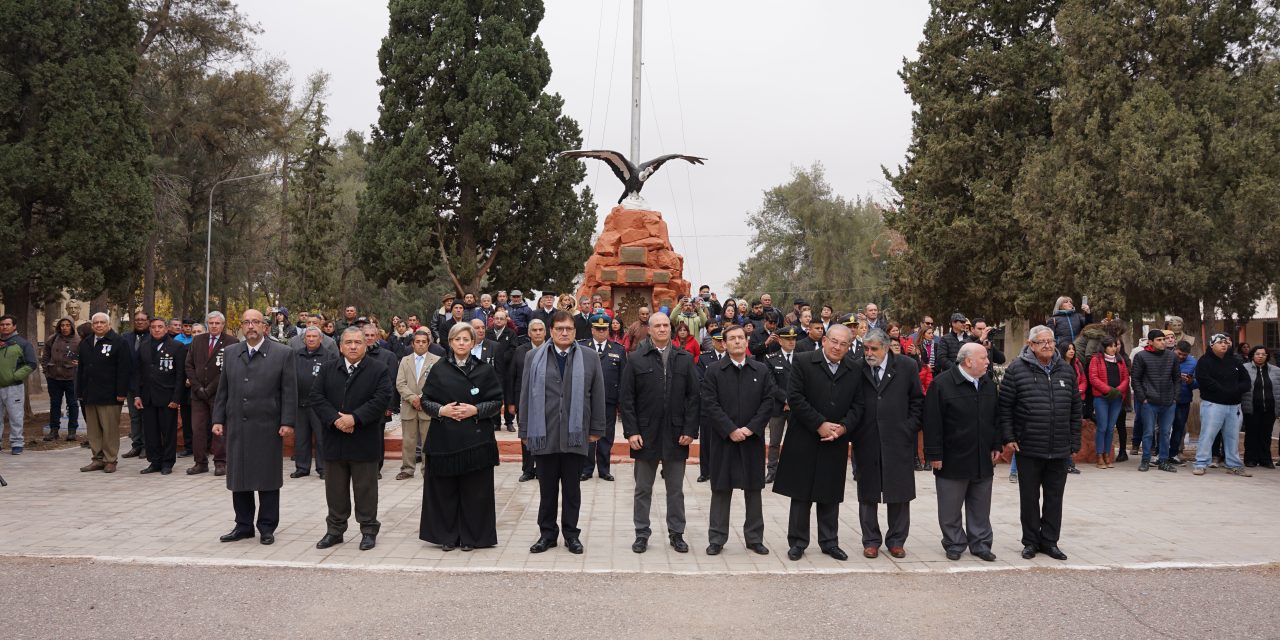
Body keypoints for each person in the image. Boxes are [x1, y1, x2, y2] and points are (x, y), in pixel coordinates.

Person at [520, 311, 606, 555]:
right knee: (547, 490)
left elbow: (597, 394)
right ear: (551, 330)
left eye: (569, 328)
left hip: (575, 434)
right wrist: (524, 429)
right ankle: (547, 534)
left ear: (575, 331)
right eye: (559, 328)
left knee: (571, 490)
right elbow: (525, 394)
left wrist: (597, 429)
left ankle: (571, 535)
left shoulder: (589, 357)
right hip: (543, 433)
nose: (564, 332)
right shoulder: (533, 356)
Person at [211, 309, 297, 546]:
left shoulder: (282, 353)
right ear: (241, 326)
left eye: (256, 322)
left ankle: (267, 527)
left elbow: (289, 391)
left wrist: (287, 422)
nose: (251, 326)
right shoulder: (230, 353)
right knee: (239, 478)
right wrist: (218, 419)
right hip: (237, 424)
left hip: (268, 426)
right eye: (247, 322)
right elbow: (223, 390)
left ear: (265, 327)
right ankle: (243, 525)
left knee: (267, 479)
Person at [772, 323, 858, 562]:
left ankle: (829, 542)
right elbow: (796, 398)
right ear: (824, 340)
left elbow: (858, 404)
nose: (837, 347)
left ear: (848, 347)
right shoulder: (803, 361)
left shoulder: (854, 368)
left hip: (835, 439)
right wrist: (819, 424)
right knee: (801, 493)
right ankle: (798, 542)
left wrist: (843, 428)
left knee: (829, 493)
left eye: (843, 344)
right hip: (805, 436)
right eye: (834, 341)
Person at [619, 312, 700, 554]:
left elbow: (694, 398)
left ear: (671, 330)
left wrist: (689, 430)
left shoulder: (684, 359)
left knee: (675, 489)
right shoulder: (635, 359)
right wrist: (631, 432)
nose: (662, 329)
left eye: (666, 325)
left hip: (677, 435)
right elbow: (627, 399)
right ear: (650, 330)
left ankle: (676, 533)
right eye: (658, 325)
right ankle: (641, 533)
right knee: (643, 488)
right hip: (645, 435)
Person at [419, 323, 504, 551]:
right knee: (444, 492)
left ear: (473, 342)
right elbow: (425, 401)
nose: (462, 343)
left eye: (466, 339)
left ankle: (472, 537)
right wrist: (441, 411)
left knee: (475, 493)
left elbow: (496, 402)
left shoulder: (484, 370)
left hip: (476, 443)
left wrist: (475, 410)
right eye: (457, 339)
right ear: (451, 342)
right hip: (444, 440)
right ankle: (447, 536)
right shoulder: (439, 368)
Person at [999, 325, 1081, 561]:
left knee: (1055, 497)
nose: (1047, 345)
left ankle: (1050, 541)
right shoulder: (1016, 370)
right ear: (1030, 344)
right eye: (1042, 341)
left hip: (1059, 447)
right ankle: (1031, 542)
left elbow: (1076, 409)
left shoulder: (1066, 371)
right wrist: (1009, 437)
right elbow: (1005, 408)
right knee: (1029, 498)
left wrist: (1074, 441)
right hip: (1028, 446)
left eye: (1051, 341)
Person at [309, 326, 394, 551]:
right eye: (348, 342)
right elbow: (316, 397)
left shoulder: (378, 369)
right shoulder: (328, 369)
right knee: (335, 490)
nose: (353, 346)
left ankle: (368, 530)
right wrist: (336, 420)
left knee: (365, 489)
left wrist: (354, 419)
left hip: (364, 440)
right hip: (334, 440)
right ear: (340, 346)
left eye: (358, 342)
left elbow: (381, 399)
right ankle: (335, 531)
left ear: (366, 345)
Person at [699, 323, 775, 556]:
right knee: (721, 489)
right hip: (724, 440)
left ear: (747, 341)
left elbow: (768, 401)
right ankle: (717, 538)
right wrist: (731, 429)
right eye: (732, 338)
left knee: (753, 489)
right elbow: (710, 403)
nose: (737, 342)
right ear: (724, 343)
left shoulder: (760, 370)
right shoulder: (714, 370)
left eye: (741, 338)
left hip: (751, 440)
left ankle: (754, 538)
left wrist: (751, 429)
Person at [849, 329, 925, 559]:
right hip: (867, 439)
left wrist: (909, 428)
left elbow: (917, 402)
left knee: (899, 492)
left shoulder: (906, 366)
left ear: (886, 347)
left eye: (874, 349)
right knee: (867, 492)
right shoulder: (857, 367)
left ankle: (896, 540)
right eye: (865, 348)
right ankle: (871, 541)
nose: (869, 353)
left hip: (898, 440)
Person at [923, 343, 1000, 562]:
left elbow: (996, 417)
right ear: (968, 361)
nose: (987, 361)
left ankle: (981, 543)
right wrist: (934, 454)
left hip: (982, 456)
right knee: (950, 506)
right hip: (952, 457)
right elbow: (932, 422)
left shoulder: (987, 383)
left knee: (981, 505)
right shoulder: (942, 384)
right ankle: (954, 542)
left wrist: (996, 444)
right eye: (984, 358)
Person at [76, 313, 132, 473]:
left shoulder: (119, 342)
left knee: (109, 429)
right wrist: (80, 391)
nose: (99, 325)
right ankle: (97, 458)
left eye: (102, 322)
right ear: (92, 325)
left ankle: (110, 459)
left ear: (108, 325)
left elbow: (124, 370)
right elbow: (82, 369)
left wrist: (121, 392)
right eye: (96, 323)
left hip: (110, 394)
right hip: (90, 393)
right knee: (93, 430)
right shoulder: (86, 342)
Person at [133, 318, 187, 474]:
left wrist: (176, 399)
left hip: (167, 396)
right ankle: (154, 461)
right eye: (153, 327)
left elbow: (180, 375)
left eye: (160, 327)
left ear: (166, 329)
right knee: (150, 432)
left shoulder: (177, 347)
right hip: (147, 397)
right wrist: (137, 395)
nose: (156, 329)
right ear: (150, 329)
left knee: (168, 432)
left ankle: (167, 462)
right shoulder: (143, 346)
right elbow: (137, 372)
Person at [1193, 334, 1252, 477]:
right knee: (1208, 435)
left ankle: (1234, 465)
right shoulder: (1204, 361)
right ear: (1212, 345)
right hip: (1213, 404)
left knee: (1233, 437)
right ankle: (1201, 463)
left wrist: (1236, 390)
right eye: (1220, 342)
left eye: (1226, 343)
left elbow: (1246, 381)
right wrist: (1224, 390)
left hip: (1234, 406)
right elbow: (1204, 380)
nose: (1224, 345)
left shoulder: (1235, 362)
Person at [185, 311, 235, 475]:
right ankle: (200, 462)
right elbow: (189, 365)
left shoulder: (231, 342)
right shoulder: (198, 340)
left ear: (223, 325)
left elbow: (229, 369)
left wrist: (210, 388)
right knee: (198, 428)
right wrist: (197, 387)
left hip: (219, 394)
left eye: (217, 323)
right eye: (211, 323)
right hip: (198, 394)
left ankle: (221, 462)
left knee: (219, 428)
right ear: (207, 324)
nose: (214, 326)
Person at [580, 315, 626, 481]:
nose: (601, 332)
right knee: (588, 433)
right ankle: (586, 468)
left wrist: (621, 402)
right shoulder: (582, 347)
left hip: (608, 400)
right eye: (597, 329)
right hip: (587, 399)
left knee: (607, 435)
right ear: (592, 330)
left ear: (608, 330)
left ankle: (604, 469)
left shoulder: (618, 349)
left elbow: (623, 378)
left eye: (604, 329)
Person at [1131, 329, 1181, 473]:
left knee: (1165, 433)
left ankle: (1163, 461)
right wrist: (1143, 398)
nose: (1163, 342)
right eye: (1159, 340)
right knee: (1148, 432)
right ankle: (1145, 460)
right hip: (1149, 402)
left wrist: (1175, 398)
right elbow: (1135, 379)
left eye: (1163, 339)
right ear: (1150, 342)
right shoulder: (1141, 356)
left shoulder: (1172, 357)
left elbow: (1177, 379)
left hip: (1168, 402)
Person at [291, 327, 337, 479]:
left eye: (314, 336)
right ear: (304, 339)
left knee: (322, 438)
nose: (311, 339)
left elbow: (332, 381)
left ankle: (323, 468)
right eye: (308, 336)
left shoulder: (329, 356)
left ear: (321, 339)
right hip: (300, 404)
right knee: (301, 438)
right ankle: (302, 467)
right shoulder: (295, 355)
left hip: (320, 406)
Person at [395, 330, 440, 480]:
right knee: (408, 440)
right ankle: (407, 469)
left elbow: (437, 383)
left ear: (428, 344)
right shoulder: (405, 360)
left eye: (423, 342)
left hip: (427, 406)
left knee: (428, 440)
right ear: (413, 343)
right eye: (417, 342)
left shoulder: (437, 360)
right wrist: (413, 398)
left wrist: (422, 398)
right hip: (409, 406)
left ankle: (428, 469)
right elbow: (400, 383)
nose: (420, 344)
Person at [509, 318, 547, 482]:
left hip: (547, 401)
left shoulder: (552, 349)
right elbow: (512, 377)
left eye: (540, 330)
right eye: (535, 330)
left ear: (545, 332)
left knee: (545, 435)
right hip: (525, 401)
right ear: (529, 333)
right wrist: (511, 402)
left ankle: (543, 469)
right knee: (526, 435)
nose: (538, 333)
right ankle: (528, 469)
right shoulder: (520, 351)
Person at [763, 325, 799, 484]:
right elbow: (771, 385)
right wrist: (786, 400)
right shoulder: (771, 358)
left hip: (797, 407)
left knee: (795, 441)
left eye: (794, 339)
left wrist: (792, 402)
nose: (792, 342)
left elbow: (803, 383)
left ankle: (792, 471)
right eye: (788, 339)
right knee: (774, 442)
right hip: (778, 407)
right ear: (780, 340)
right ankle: (772, 470)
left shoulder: (801, 358)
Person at [1087, 336, 1129, 469]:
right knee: (1102, 427)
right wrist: (1108, 390)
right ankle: (1099, 456)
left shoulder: (1120, 360)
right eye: (1110, 346)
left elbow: (1125, 378)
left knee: (1111, 428)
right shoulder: (1096, 359)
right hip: (1101, 398)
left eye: (1115, 346)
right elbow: (1093, 378)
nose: (1113, 348)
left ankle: (1107, 455)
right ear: (1104, 347)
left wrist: (1118, 390)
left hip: (1116, 398)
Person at [41, 317, 81, 442]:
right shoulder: (52, 339)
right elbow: (46, 354)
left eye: (67, 325)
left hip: (71, 378)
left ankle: (72, 431)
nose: (65, 327)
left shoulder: (79, 340)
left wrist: (79, 364)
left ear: (72, 326)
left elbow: (84, 356)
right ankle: (54, 431)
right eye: (62, 325)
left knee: (73, 404)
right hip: (54, 377)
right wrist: (46, 370)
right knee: (55, 404)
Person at [1242, 346, 1279, 468]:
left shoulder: (1276, 370)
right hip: (1251, 407)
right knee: (1251, 434)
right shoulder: (1244, 368)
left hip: (1270, 407)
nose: (1261, 356)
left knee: (1266, 434)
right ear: (1253, 355)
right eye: (1258, 354)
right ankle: (1250, 459)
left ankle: (1265, 459)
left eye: (1263, 354)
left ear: (1267, 356)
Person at [120, 310, 151, 458]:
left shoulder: (153, 337)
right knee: (134, 417)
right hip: (131, 385)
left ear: (148, 322)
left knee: (147, 417)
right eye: (137, 319)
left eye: (143, 320)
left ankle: (147, 445)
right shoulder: (126, 338)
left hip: (148, 385)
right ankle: (136, 445)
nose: (140, 322)